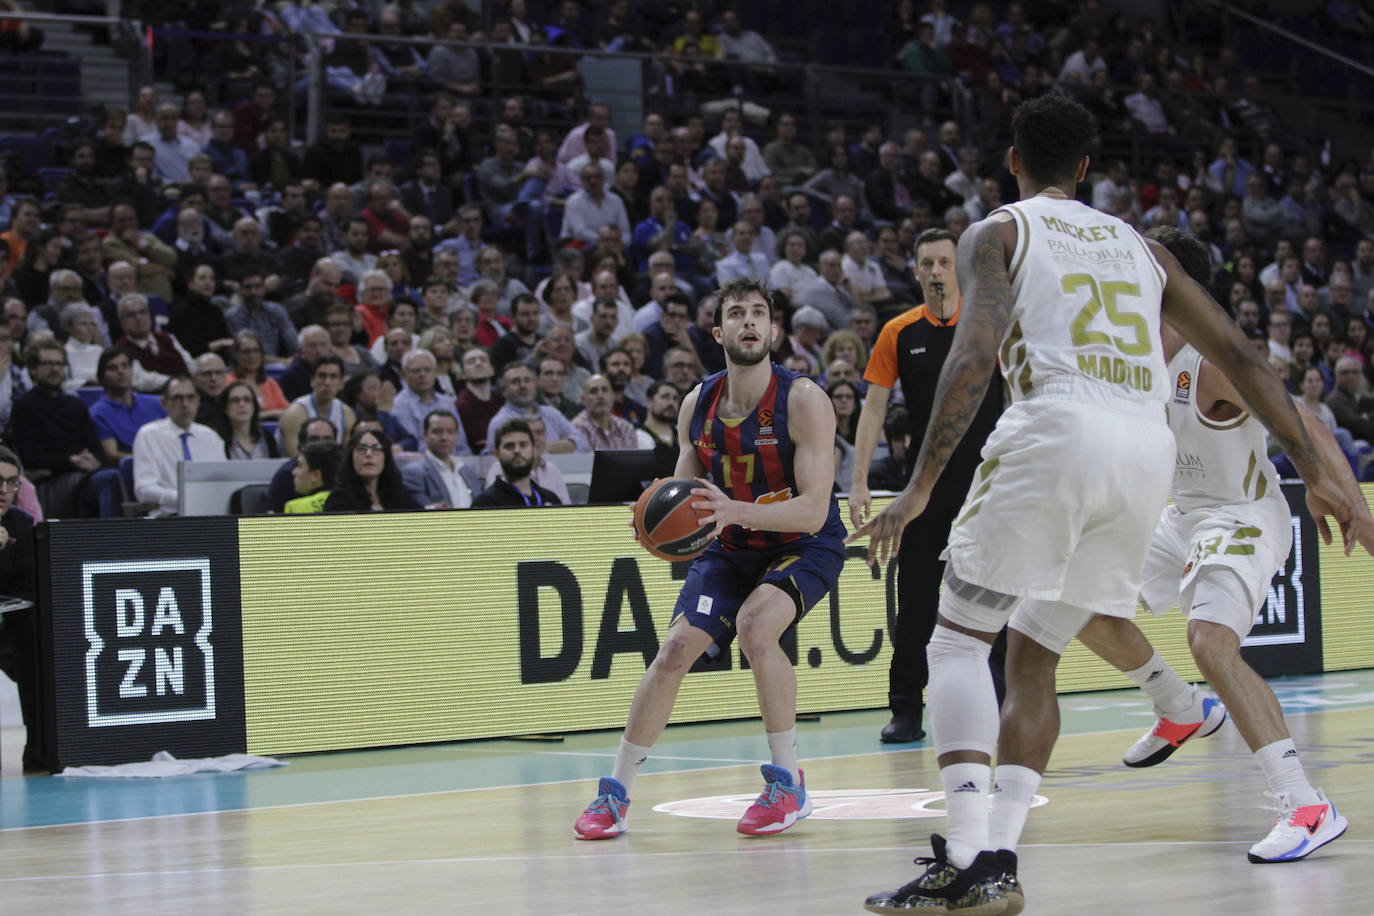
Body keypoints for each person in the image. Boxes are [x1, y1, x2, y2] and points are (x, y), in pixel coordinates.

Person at [851, 95, 1363, 914]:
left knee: (954, 640)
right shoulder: (1144, 249)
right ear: (1087, 169)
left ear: (1012, 162)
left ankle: (968, 855)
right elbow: (1242, 351)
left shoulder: (1001, 230)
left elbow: (974, 352)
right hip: (1145, 455)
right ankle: (1003, 862)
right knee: (1034, 646)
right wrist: (1321, 473)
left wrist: (916, 489)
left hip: (1061, 425)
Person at [1069, 226, 1374, 867]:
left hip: (1244, 514)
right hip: (1179, 514)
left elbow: (1307, 420)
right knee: (1073, 596)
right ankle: (1178, 707)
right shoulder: (1124, 353)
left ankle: (1306, 805)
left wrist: (1343, 495)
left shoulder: (1213, 362)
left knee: (1210, 642)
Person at [574, 278, 847, 841]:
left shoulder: (804, 401)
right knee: (673, 651)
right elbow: (684, 486)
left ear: (774, 330)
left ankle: (787, 784)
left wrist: (733, 510)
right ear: (719, 331)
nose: (750, 322)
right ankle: (617, 794)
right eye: (737, 314)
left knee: (755, 626)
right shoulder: (698, 403)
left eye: (760, 314)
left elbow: (815, 511)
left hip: (803, 542)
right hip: (731, 542)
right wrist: (654, 508)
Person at [849, 228, 1005, 746]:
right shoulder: (899, 331)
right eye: (927, 263)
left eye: (945, 262)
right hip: (924, 487)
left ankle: (1003, 703)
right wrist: (858, 480)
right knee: (914, 601)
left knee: (997, 598)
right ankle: (906, 710)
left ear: (959, 270)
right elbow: (873, 408)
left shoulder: (989, 330)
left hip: (986, 486)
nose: (937, 271)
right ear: (915, 272)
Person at [6, 340, 122, 518]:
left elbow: (96, 448)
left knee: (112, 475)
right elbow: (30, 458)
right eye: (48, 363)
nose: (55, 369)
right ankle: (115, 540)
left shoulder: (76, 405)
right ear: (32, 369)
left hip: (82, 475)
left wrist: (93, 461)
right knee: (109, 478)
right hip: (49, 479)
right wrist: (71, 461)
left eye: (59, 364)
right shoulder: (24, 406)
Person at [131, 375, 227, 516]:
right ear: (164, 403)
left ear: (197, 400)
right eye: (177, 398)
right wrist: (181, 498)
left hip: (210, 514)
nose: (185, 404)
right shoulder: (148, 435)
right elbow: (144, 490)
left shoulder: (210, 436)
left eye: (190, 397)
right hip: (168, 517)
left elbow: (223, 482)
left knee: (258, 532)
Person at [0, 444, 41, 770]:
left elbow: (27, 587)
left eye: (11, 482)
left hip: (9, 621)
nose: (4, 490)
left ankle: (40, 750)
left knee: (35, 635)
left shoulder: (21, 522)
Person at [89, 347, 166, 466]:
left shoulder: (156, 403)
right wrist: (149, 461)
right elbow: (111, 455)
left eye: (125, 366)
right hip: (130, 471)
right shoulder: (98, 413)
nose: (121, 371)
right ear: (102, 376)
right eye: (113, 368)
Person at [324, 428, 421, 512]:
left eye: (377, 448)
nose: (368, 454)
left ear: (386, 458)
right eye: (361, 449)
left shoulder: (399, 495)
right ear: (351, 458)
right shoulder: (338, 499)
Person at [473, 418, 564, 508]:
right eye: (509, 446)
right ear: (497, 454)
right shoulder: (485, 503)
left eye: (523, 445)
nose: (517, 451)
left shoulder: (551, 499)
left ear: (534, 451)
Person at [277, 354, 355, 457]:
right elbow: (294, 458)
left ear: (341, 383)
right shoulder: (295, 413)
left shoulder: (347, 414)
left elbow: (348, 456)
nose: (327, 382)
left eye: (333, 376)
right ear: (312, 381)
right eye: (322, 376)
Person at [402, 409, 481, 509]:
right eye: (437, 432)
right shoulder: (414, 473)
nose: (444, 437)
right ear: (425, 435)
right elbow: (420, 510)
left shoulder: (468, 471)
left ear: (456, 435)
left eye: (450, 432)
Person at [217, 380, 281, 460]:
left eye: (247, 400)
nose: (242, 404)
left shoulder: (267, 437)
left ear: (254, 407)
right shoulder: (217, 439)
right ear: (225, 408)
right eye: (235, 400)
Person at [285, 439, 343, 514]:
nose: (294, 472)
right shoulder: (351, 502)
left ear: (315, 475)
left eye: (299, 466)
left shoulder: (293, 508)